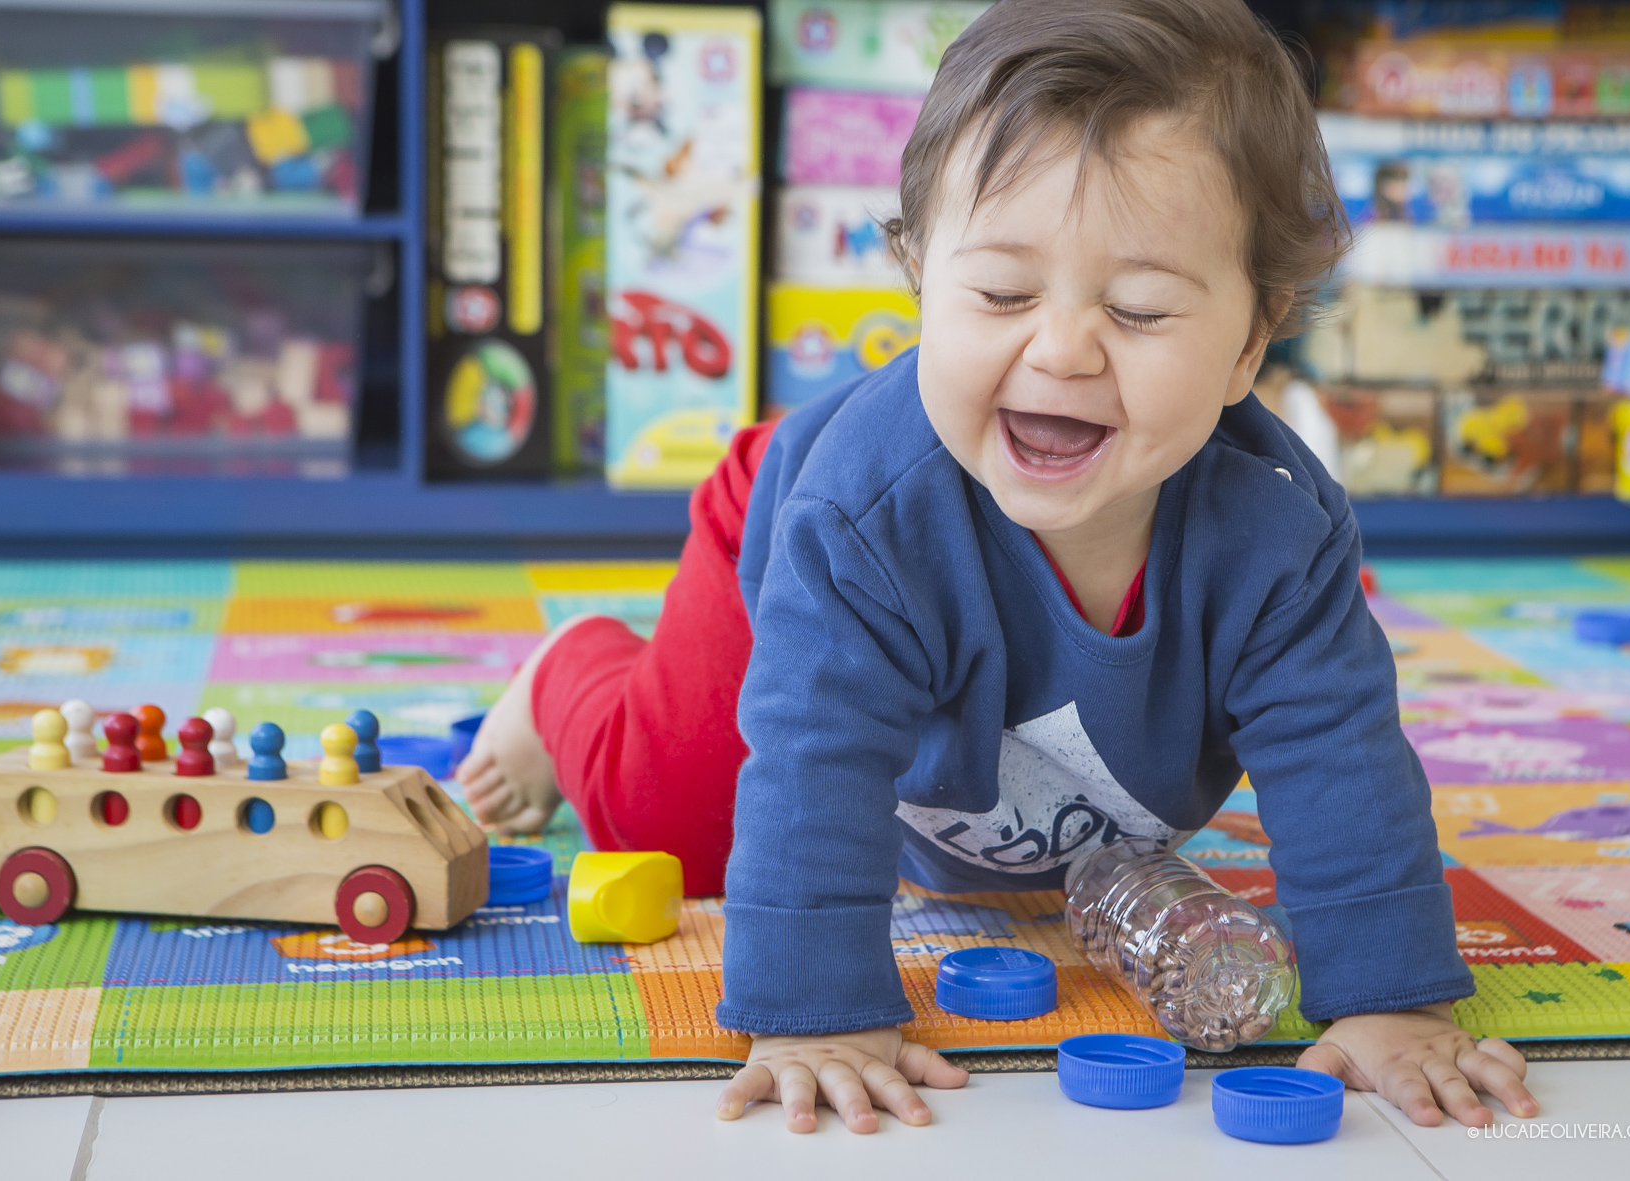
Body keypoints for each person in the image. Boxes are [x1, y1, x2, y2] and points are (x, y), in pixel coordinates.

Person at [457, 0, 1540, 1136]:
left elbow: (1337, 757)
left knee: (1012, 856)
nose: (1062, 347)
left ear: (1247, 343)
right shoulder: (861, 519)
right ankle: (564, 676)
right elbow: (818, 759)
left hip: (1014, 739)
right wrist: (819, 1010)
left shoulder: (1277, 534)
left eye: (1138, 307)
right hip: (785, 531)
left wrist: (1389, 999)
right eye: (1001, 293)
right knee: (678, 827)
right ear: (919, 277)